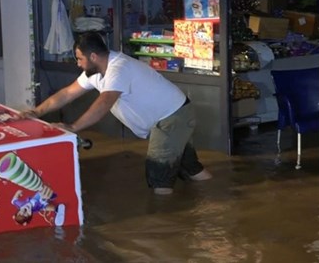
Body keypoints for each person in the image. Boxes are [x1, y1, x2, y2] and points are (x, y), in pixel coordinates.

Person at [21, 32, 212, 195]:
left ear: (93, 56)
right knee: (191, 169)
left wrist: (73, 127)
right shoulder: (94, 72)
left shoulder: (118, 69)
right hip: (174, 115)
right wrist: (36, 112)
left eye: (79, 59)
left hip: (172, 118)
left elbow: (104, 103)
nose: (78, 64)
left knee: (158, 178)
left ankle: (165, 225)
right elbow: (67, 93)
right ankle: (211, 200)